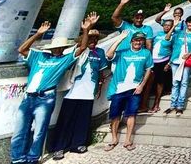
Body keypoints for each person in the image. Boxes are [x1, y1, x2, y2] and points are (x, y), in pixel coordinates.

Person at [11, 15, 94, 164]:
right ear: (51, 47)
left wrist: (86, 30)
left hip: (45, 97)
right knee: (19, 130)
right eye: (55, 47)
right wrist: (38, 34)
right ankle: (17, 159)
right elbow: (21, 49)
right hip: (28, 96)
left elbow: (82, 48)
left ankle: (32, 159)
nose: (58, 49)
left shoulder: (64, 59)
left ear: (63, 48)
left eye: (60, 47)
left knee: (39, 132)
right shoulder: (39, 56)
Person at [51, 16, 107, 160]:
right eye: (90, 38)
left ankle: (78, 143)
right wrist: (86, 29)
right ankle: (59, 147)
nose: (93, 41)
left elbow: (101, 71)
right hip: (72, 92)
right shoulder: (78, 51)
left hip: (88, 93)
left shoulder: (100, 53)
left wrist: (99, 86)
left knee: (83, 121)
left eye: (95, 39)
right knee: (66, 121)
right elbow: (82, 47)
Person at [104, 29, 153, 152]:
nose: (138, 42)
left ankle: (128, 140)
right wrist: (120, 38)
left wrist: (142, 85)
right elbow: (109, 54)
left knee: (131, 114)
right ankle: (114, 139)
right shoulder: (123, 52)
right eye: (136, 40)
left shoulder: (146, 53)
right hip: (118, 88)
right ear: (131, 41)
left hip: (134, 89)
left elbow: (148, 70)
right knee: (115, 115)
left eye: (141, 40)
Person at [165, 15, 191, 116]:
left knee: (184, 83)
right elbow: (167, 38)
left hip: (186, 62)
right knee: (175, 83)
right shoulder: (179, 33)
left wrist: (189, 53)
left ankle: (180, 106)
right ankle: (172, 105)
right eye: (189, 22)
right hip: (175, 61)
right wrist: (174, 26)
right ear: (186, 23)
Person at [148, 17, 176, 113]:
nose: (167, 27)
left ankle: (156, 103)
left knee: (160, 82)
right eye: (165, 25)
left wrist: (169, 63)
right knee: (150, 81)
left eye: (169, 25)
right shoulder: (158, 34)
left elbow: (174, 50)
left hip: (163, 61)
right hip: (152, 61)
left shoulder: (173, 36)